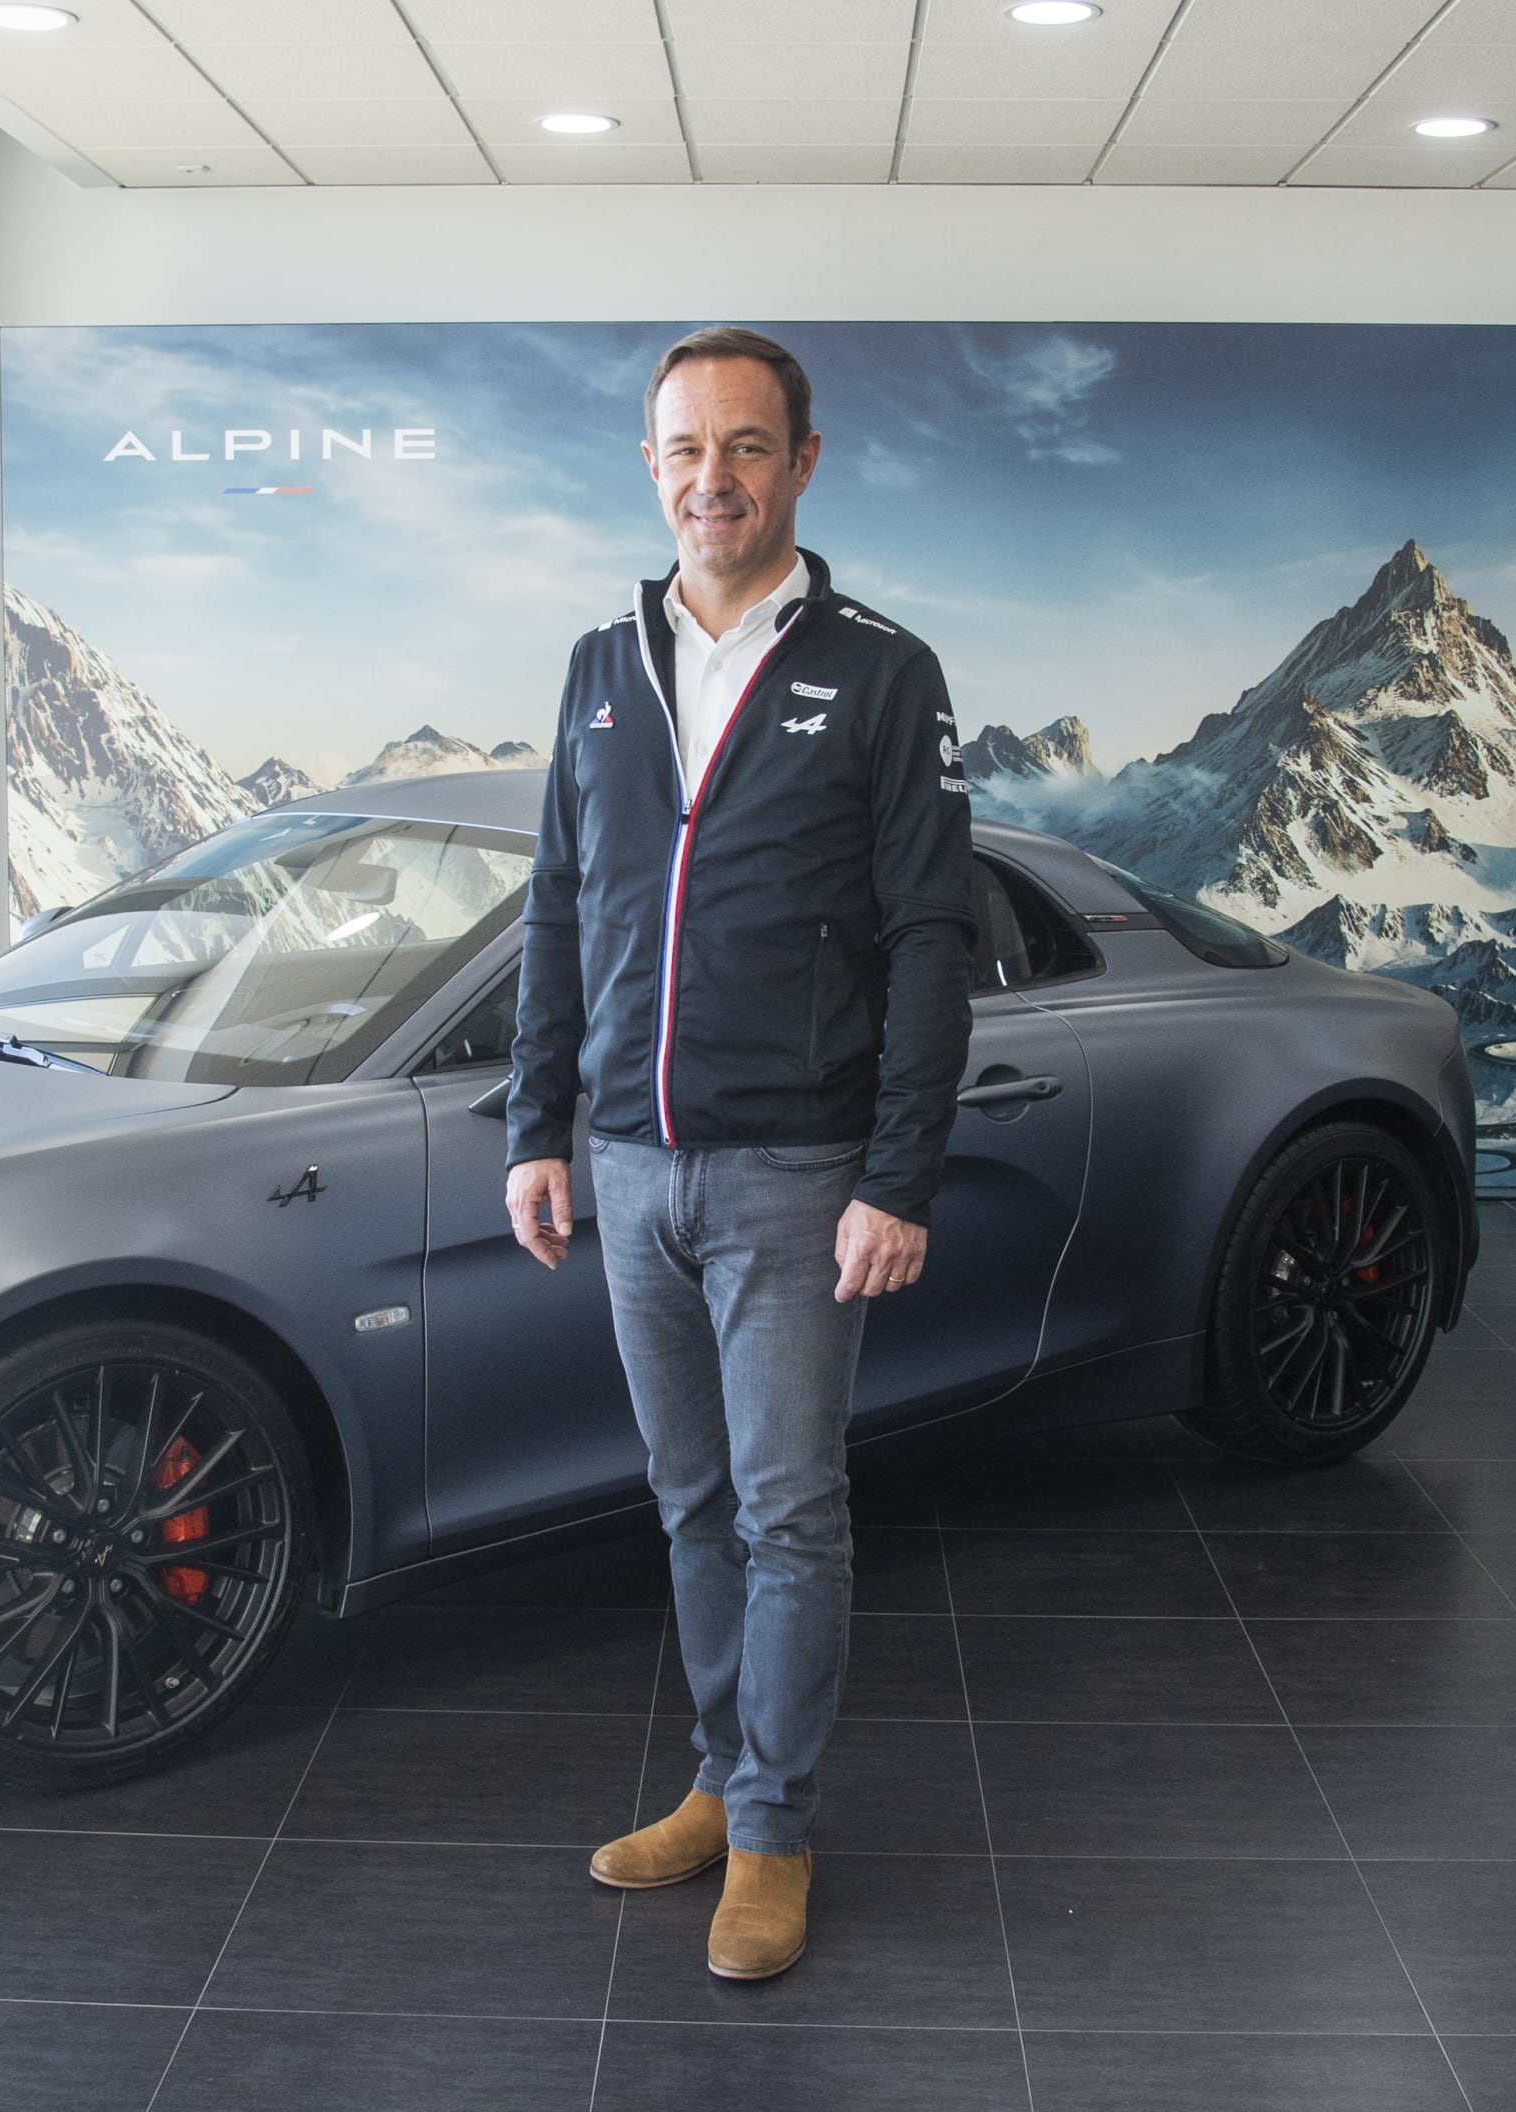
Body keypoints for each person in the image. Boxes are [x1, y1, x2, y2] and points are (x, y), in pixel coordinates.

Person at [504, 326, 977, 1982]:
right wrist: (537, 1126)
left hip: (795, 1172)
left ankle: (772, 1832)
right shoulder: (596, 664)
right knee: (690, 1500)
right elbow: (563, 907)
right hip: (628, 1167)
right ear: (652, 467)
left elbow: (933, 939)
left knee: (791, 1514)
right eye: (687, 448)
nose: (716, 477)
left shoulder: (882, 669)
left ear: (803, 462)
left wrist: (898, 1175)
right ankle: (721, 1781)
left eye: (749, 446)